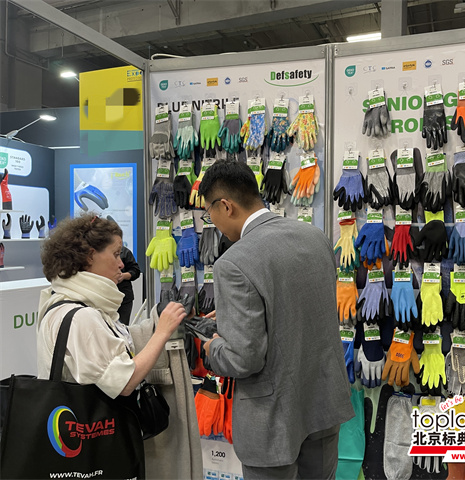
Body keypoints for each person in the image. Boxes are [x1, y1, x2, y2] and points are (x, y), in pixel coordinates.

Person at [199, 159, 354, 479]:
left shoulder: (233, 263)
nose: (211, 222)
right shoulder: (315, 237)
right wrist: (233, 315)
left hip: (271, 421)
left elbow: (243, 359)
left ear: (225, 206)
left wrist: (212, 347)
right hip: (323, 404)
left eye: (208, 213)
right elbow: (298, 307)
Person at [38, 213, 203, 479]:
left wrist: (164, 321)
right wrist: (162, 332)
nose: (121, 263)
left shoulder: (67, 302)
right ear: (89, 256)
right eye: (115, 254)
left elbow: (116, 345)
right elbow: (124, 382)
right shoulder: (82, 316)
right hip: (92, 446)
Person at [116, 245, 141, 325]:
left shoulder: (125, 252)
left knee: (122, 326)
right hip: (104, 296)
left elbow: (136, 271)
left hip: (124, 297)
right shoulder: (98, 252)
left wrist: (123, 276)